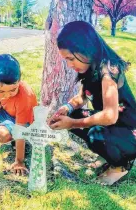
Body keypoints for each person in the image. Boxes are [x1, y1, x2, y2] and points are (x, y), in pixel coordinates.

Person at [48, 21, 136, 185]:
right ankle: (109, 154)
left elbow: (110, 116)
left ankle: (120, 165)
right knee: (73, 115)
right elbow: (82, 97)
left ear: (85, 49)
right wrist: (67, 109)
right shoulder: (89, 67)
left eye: (70, 58)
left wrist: (73, 123)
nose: (69, 65)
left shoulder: (109, 70)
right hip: (115, 127)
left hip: (130, 131)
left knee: (94, 134)